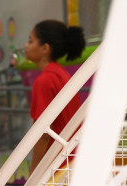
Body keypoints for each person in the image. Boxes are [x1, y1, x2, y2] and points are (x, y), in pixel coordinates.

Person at [25, 19, 86, 173]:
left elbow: (44, 133)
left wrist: (34, 172)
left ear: (45, 48)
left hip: (60, 164)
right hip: (73, 157)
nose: (26, 45)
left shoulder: (45, 80)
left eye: (30, 41)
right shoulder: (61, 73)